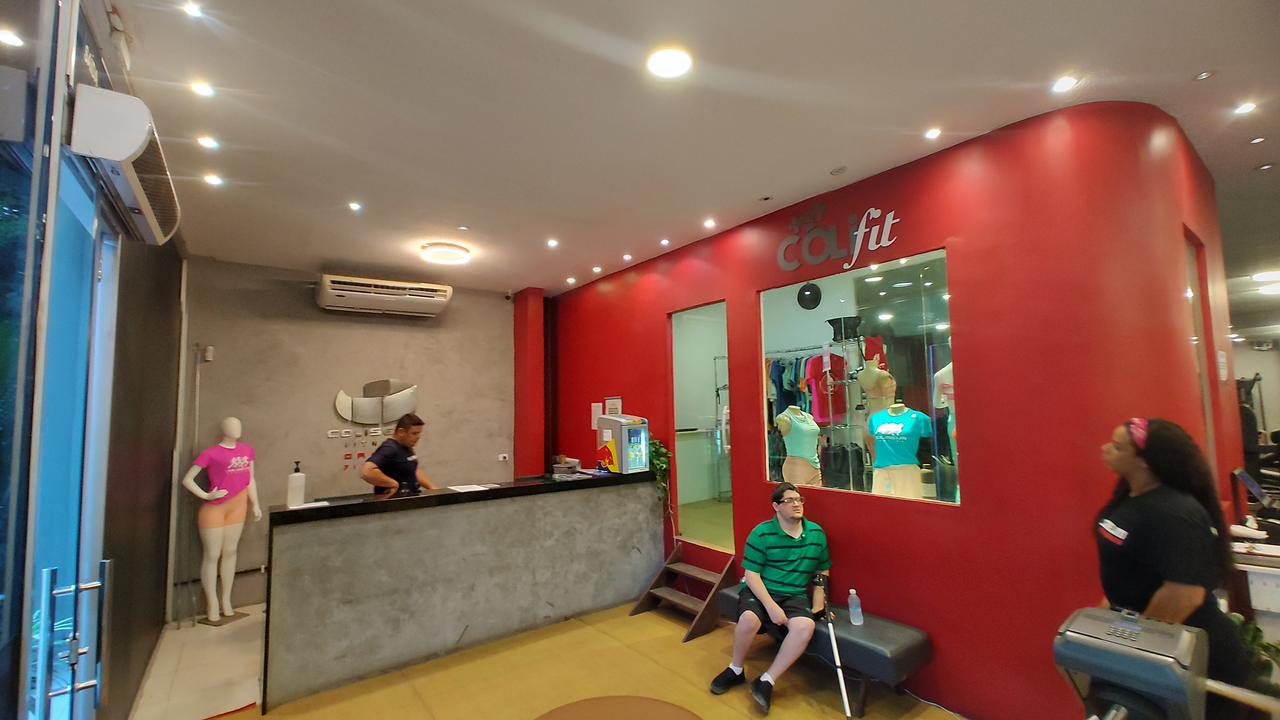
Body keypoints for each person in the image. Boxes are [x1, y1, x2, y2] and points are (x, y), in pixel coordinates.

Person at [1096, 417, 1250, 719]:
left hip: (1191, 657)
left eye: (1117, 446)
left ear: (1145, 461)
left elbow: (1184, 595)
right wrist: (1103, 626)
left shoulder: (1175, 513)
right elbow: (1125, 571)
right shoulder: (1131, 497)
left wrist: (1134, 650)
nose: (1105, 449)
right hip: (1149, 642)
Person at [710, 482, 831, 715]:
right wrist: (772, 607)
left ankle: (766, 680)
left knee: (805, 627)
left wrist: (819, 605)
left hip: (794, 594)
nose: (796, 504)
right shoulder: (761, 533)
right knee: (748, 620)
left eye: (799, 499)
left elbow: (821, 571)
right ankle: (736, 669)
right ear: (776, 506)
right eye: (789, 500)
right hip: (761, 590)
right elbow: (751, 576)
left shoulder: (816, 534)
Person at [361, 413, 438, 496]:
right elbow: (366, 471)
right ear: (401, 432)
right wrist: (393, 484)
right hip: (394, 500)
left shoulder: (406, 446)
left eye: (419, 433)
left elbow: (413, 469)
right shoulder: (389, 448)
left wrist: (433, 488)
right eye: (414, 433)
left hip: (411, 497)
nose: (418, 437)